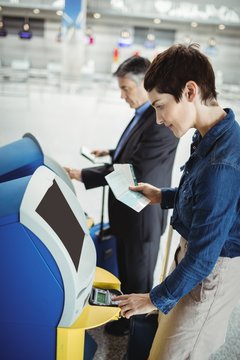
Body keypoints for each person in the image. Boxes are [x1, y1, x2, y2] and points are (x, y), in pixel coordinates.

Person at [114, 43, 240, 359]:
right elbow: (202, 197)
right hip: (196, 264)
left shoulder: (222, 164)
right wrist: (163, 196)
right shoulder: (209, 134)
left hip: (208, 272)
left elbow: (203, 255)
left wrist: (152, 299)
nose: (158, 119)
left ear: (189, 91)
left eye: (159, 106)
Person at [65, 55, 178, 336]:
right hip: (128, 214)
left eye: (126, 88)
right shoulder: (142, 115)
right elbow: (129, 156)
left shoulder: (158, 122)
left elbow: (136, 170)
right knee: (127, 272)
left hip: (142, 217)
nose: (122, 95)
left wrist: (84, 174)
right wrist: (111, 153)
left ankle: (133, 329)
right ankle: (124, 319)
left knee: (138, 278)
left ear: (145, 83)